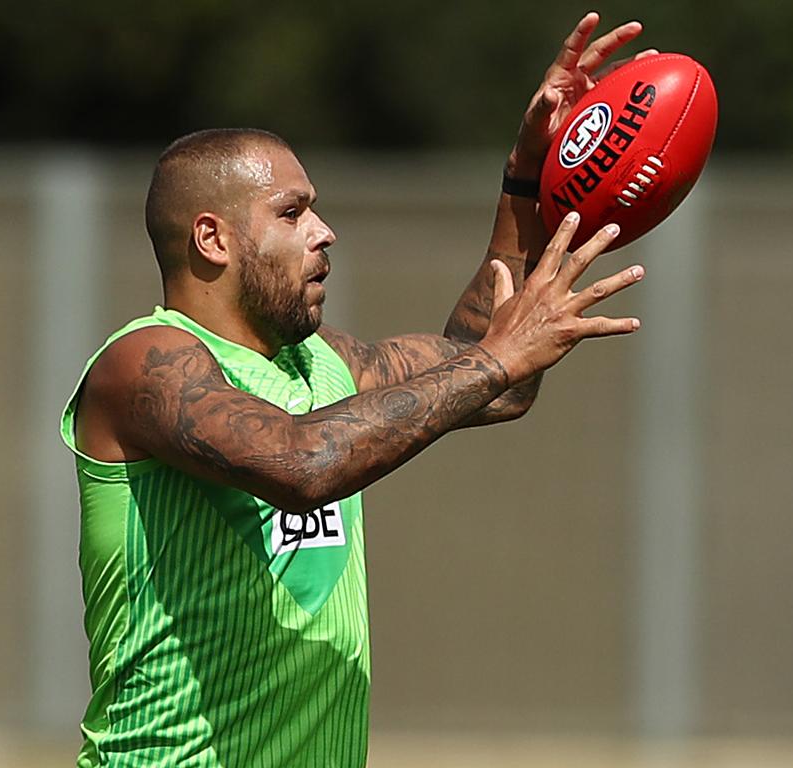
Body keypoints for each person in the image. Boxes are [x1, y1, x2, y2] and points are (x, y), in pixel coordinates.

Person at [60, 12, 652, 768]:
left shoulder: (323, 365)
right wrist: (497, 361)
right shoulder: (142, 364)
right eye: (292, 212)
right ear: (212, 239)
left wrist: (528, 174)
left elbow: (484, 372)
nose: (325, 231)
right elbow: (302, 464)